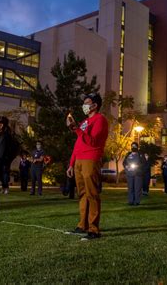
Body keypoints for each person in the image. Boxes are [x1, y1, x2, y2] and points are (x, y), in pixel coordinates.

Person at [66, 93, 109, 240]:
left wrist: (75, 128)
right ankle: (82, 225)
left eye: (87, 102)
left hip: (91, 159)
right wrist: (71, 163)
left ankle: (94, 229)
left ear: (95, 105)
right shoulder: (85, 121)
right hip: (79, 160)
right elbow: (79, 143)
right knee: (82, 194)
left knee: (92, 194)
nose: (84, 105)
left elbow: (93, 142)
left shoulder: (100, 120)